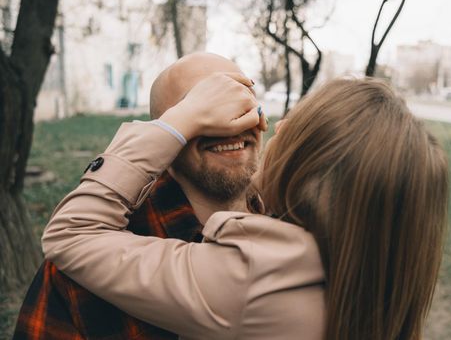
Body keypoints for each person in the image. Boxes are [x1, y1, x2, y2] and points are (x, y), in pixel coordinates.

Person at [41, 75, 449, 340]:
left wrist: (177, 120)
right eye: (208, 111)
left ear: (311, 173)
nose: (272, 125)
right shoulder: (377, 265)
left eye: (296, 126)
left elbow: (71, 234)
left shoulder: (257, 272)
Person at [13, 53, 266, 340]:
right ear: (166, 135)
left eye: (240, 102)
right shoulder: (87, 263)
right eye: (203, 109)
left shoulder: (297, 220)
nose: (229, 124)